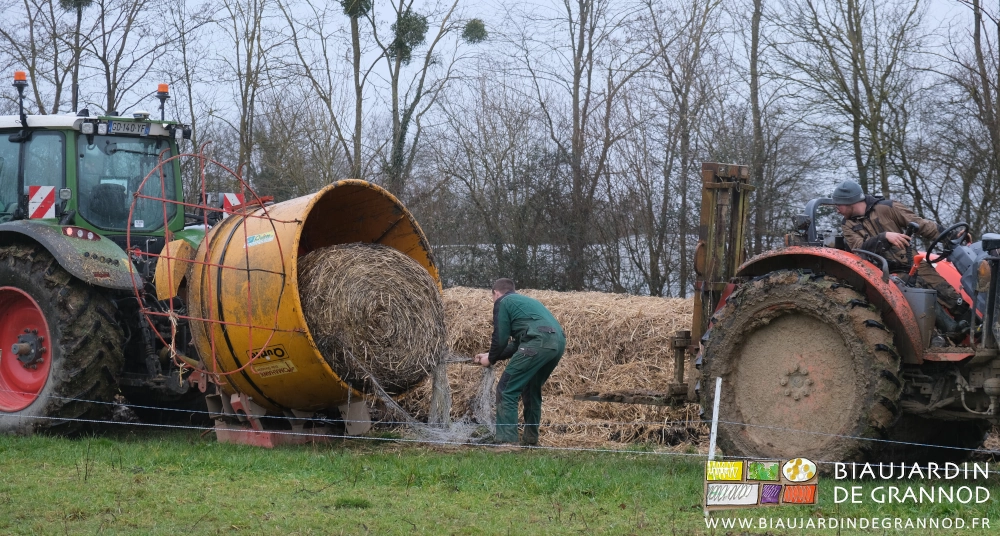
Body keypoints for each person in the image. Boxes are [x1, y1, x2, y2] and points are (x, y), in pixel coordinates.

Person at [831, 180, 970, 338]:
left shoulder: (887, 208)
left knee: (951, 296)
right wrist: (884, 237)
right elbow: (859, 249)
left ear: (850, 202)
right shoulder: (847, 225)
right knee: (914, 292)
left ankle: (976, 332)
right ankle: (950, 331)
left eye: (838, 205)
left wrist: (951, 236)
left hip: (912, 263)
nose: (837, 210)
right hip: (885, 273)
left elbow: (921, 224)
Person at [475, 278, 566, 445]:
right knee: (531, 389)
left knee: (506, 389)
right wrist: (491, 354)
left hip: (537, 342)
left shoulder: (503, 302)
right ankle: (530, 441)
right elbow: (517, 344)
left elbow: (500, 338)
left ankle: (507, 443)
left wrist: (491, 359)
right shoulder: (526, 302)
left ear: (496, 293)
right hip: (557, 344)